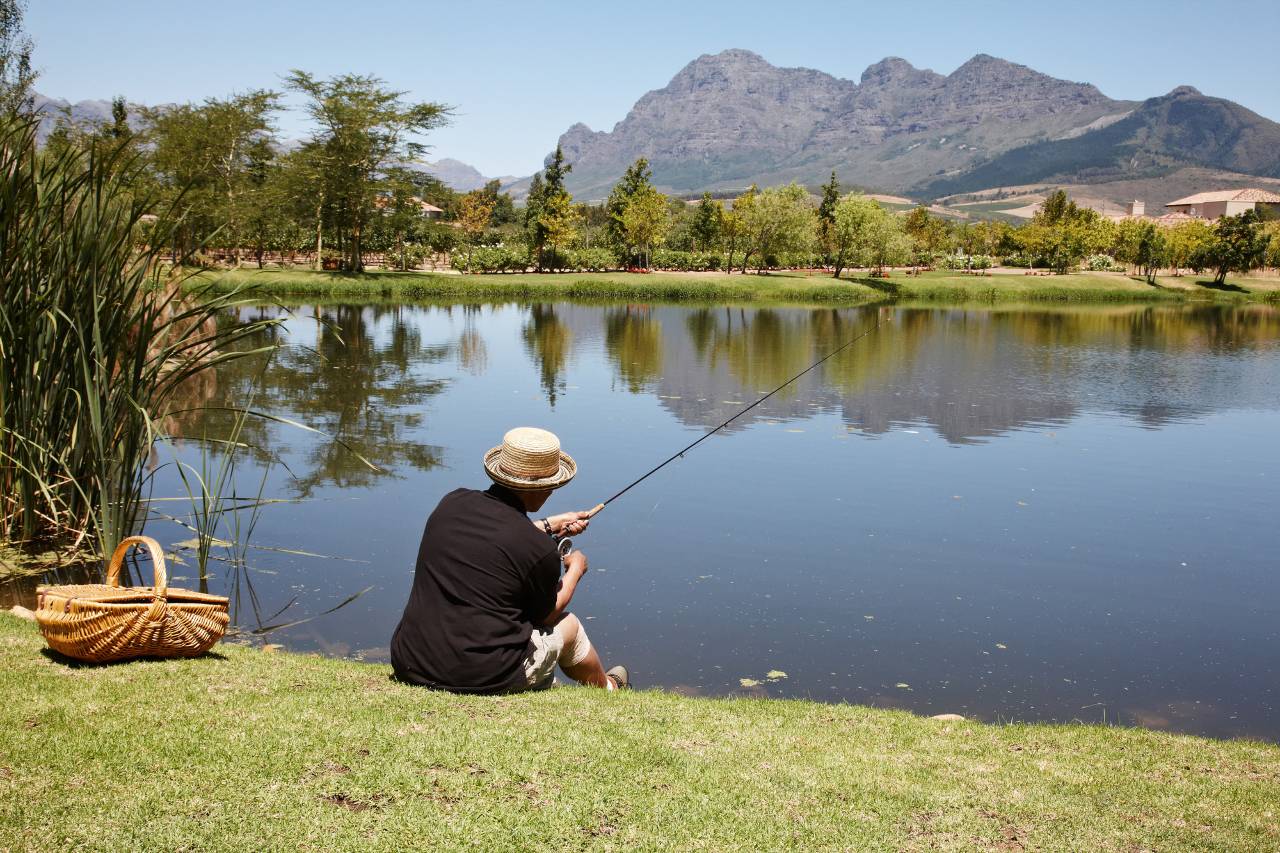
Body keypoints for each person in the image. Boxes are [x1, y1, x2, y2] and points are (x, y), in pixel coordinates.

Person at [391, 427, 629, 694]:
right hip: (481, 676)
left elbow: (495, 534)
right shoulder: (539, 550)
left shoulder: (451, 503)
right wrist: (575, 570)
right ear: (544, 487)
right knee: (569, 625)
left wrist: (548, 525)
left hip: (410, 661)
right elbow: (546, 614)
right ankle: (609, 688)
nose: (552, 491)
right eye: (552, 485)